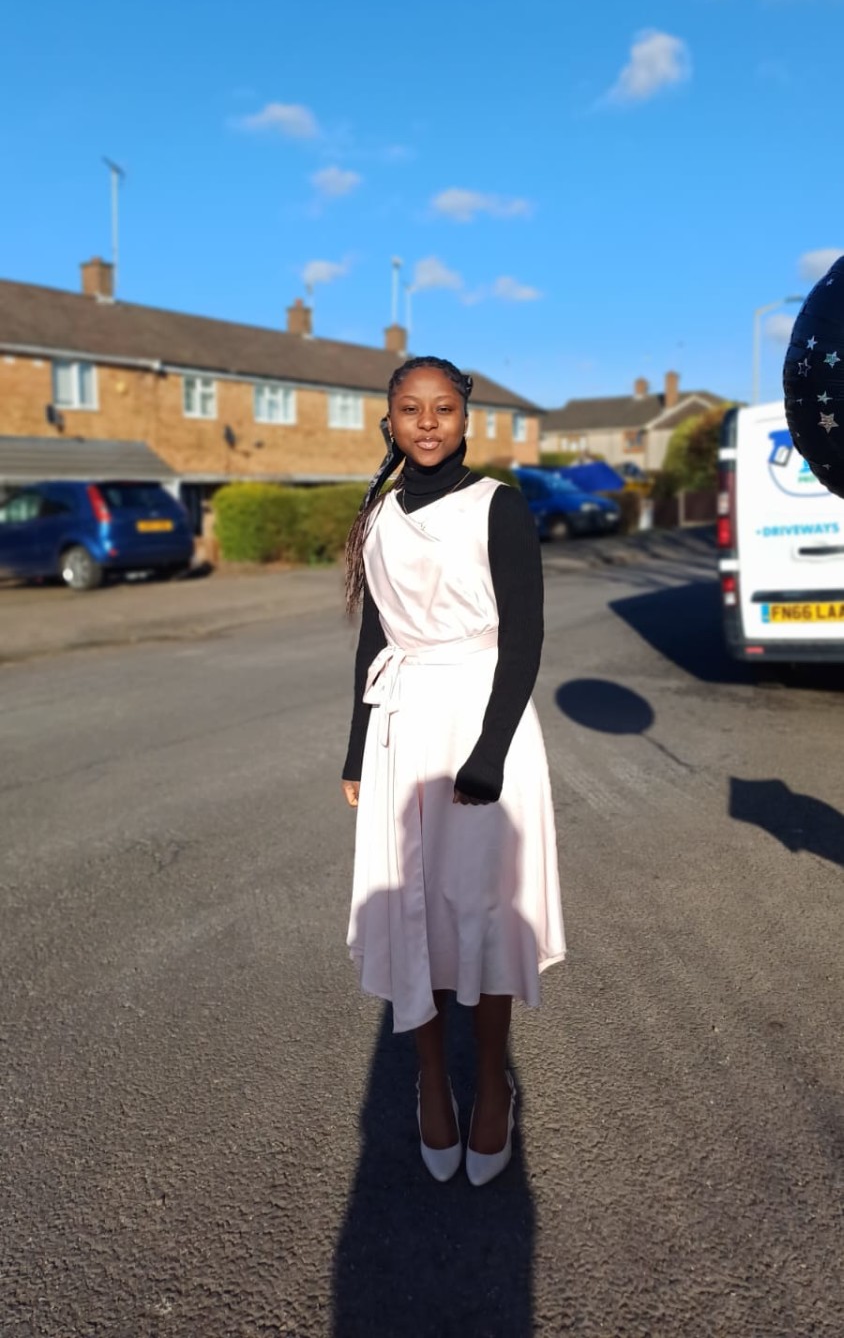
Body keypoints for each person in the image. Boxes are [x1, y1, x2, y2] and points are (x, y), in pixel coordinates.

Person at [341, 356, 565, 1186]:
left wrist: (490, 752)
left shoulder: (498, 505)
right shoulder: (378, 515)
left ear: (466, 420)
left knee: (485, 906)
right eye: (411, 408)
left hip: (481, 724)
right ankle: (431, 1078)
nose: (428, 422)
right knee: (415, 914)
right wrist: (356, 750)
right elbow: (376, 638)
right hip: (401, 729)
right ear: (390, 421)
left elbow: (525, 636)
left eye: (443, 408)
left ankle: (493, 1080)